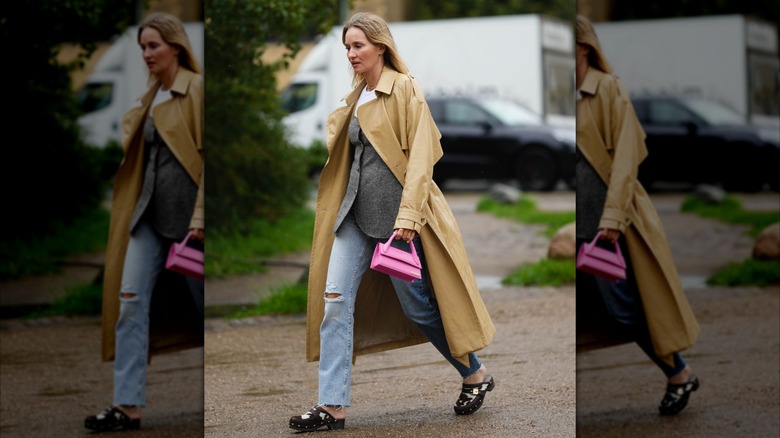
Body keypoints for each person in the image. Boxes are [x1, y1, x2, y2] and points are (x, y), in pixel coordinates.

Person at [289, 12, 496, 432]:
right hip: (352, 216)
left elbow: (421, 158)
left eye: (358, 45)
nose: (351, 53)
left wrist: (408, 217)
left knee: (419, 308)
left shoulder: (405, 88)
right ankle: (332, 407)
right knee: (335, 303)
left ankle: (475, 373)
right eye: (347, 46)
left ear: (380, 47)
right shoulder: (355, 96)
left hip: (398, 221)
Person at [574, 14, 701, 416]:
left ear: (583, 48)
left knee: (625, 309)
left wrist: (611, 220)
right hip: (578, 225)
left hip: (609, 228)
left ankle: (679, 373)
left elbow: (627, 161)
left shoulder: (608, 89)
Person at [85, 12, 205, 432]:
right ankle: (127, 406)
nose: (146, 54)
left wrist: (202, 217)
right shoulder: (150, 95)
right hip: (146, 219)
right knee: (130, 304)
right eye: (142, 47)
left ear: (175, 45)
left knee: (203, 308)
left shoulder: (197, 91)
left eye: (153, 45)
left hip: (189, 224)